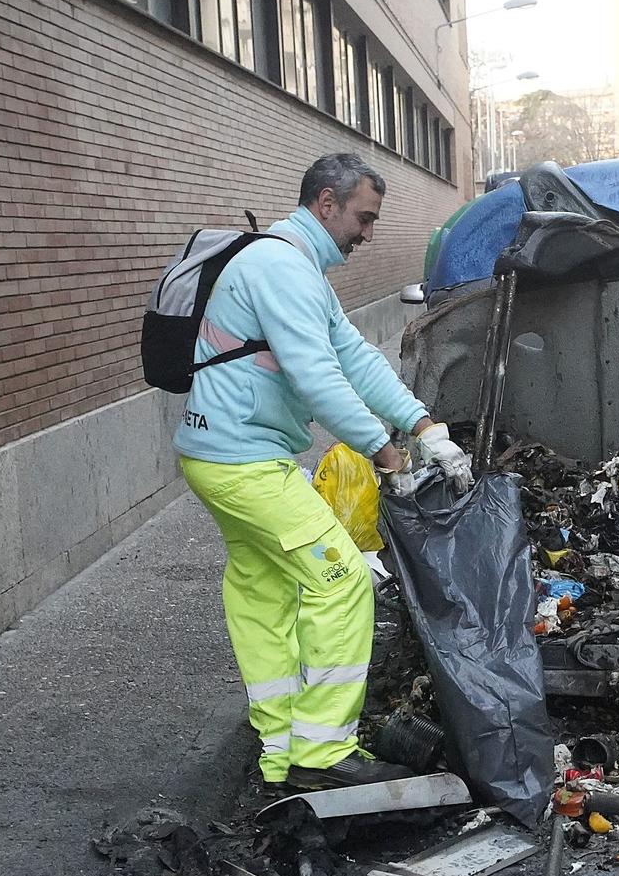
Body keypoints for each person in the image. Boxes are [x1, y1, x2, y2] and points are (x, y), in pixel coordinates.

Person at [177, 152, 472, 791]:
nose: (367, 234)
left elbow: (356, 358)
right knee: (340, 584)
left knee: (264, 591)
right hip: (246, 464)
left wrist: (425, 427)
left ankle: (280, 745)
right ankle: (322, 753)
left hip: (220, 457)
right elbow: (318, 377)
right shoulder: (280, 267)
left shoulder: (293, 266)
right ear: (326, 204)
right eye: (363, 219)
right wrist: (383, 450)